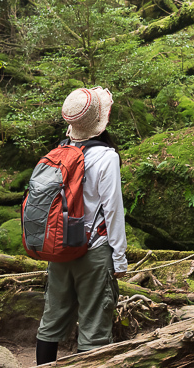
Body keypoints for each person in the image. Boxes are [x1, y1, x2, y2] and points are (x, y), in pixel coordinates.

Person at [35, 86, 128, 365]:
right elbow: (113, 210)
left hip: (59, 248)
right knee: (95, 328)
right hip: (94, 251)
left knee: (51, 322)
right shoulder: (106, 157)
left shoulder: (59, 153)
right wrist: (120, 259)